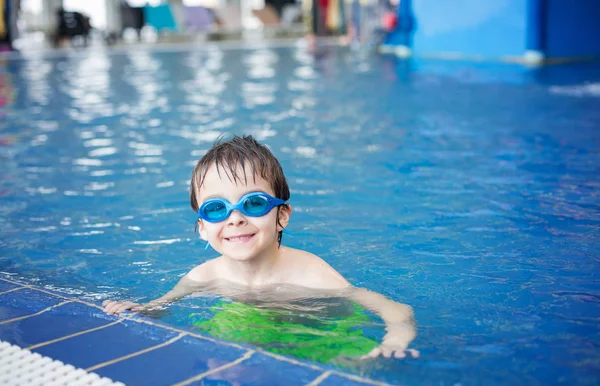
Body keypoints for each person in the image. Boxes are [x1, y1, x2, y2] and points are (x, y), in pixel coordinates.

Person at [103, 135, 418, 359]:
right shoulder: (203, 276)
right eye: (216, 209)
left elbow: (393, 309)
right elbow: (162, 304)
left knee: (351, 360)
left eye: (253, 204)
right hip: (252, 327)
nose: (235, 218)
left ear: (282, 216)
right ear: (202, 228)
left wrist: (395, 339)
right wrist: (144, 309)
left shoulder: (311, 273)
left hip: (311, 330)